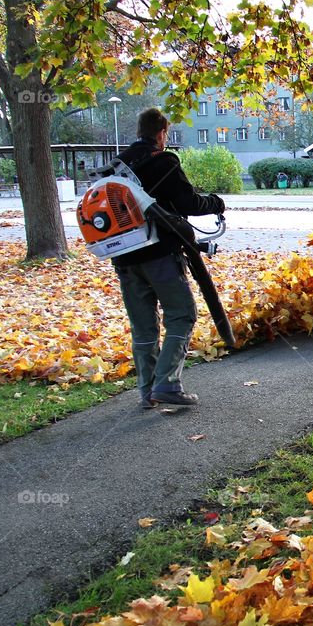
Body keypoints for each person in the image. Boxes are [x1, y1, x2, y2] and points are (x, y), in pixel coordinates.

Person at [112, 107, 225, 408]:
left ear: (139, 131)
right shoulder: (163, 161)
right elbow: (187, 201)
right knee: (182, 314)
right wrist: (216, 201)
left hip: (124, 258)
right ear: (162, 133)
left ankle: (147, 390)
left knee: (144, 326)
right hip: (159, 254)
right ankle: (167, 384)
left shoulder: (118, 165)